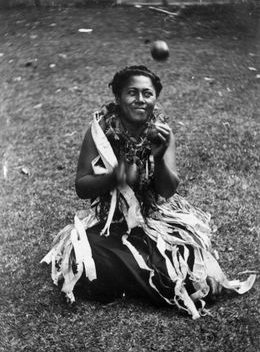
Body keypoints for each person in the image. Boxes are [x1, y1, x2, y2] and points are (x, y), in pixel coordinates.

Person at [41, 65, 255, 319]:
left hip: (153, 220)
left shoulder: (163, 133)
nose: (140, 99)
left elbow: (167, 190)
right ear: (118, 97)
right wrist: (114, 177)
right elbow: (82, 186)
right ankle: (130, 276)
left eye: (147, 93)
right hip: (111, 224)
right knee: (88, 261)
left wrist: (161, 156)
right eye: (132, 93)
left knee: (189, 276)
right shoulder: (99, 132)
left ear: (155, 98)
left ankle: (132, 278)